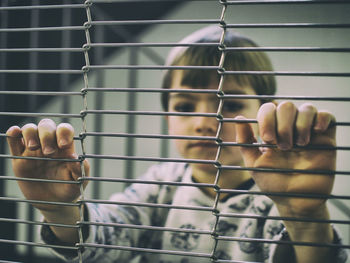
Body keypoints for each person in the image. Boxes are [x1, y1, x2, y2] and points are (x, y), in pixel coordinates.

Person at [6, 26, 348, 263]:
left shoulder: (278, 200)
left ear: (263, 114)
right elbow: (107, 234)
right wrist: (59, 211)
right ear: (167, 117)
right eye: (185, 107)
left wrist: (305, 217)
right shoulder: (161, 185)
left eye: (229, 105)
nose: (204, 122)